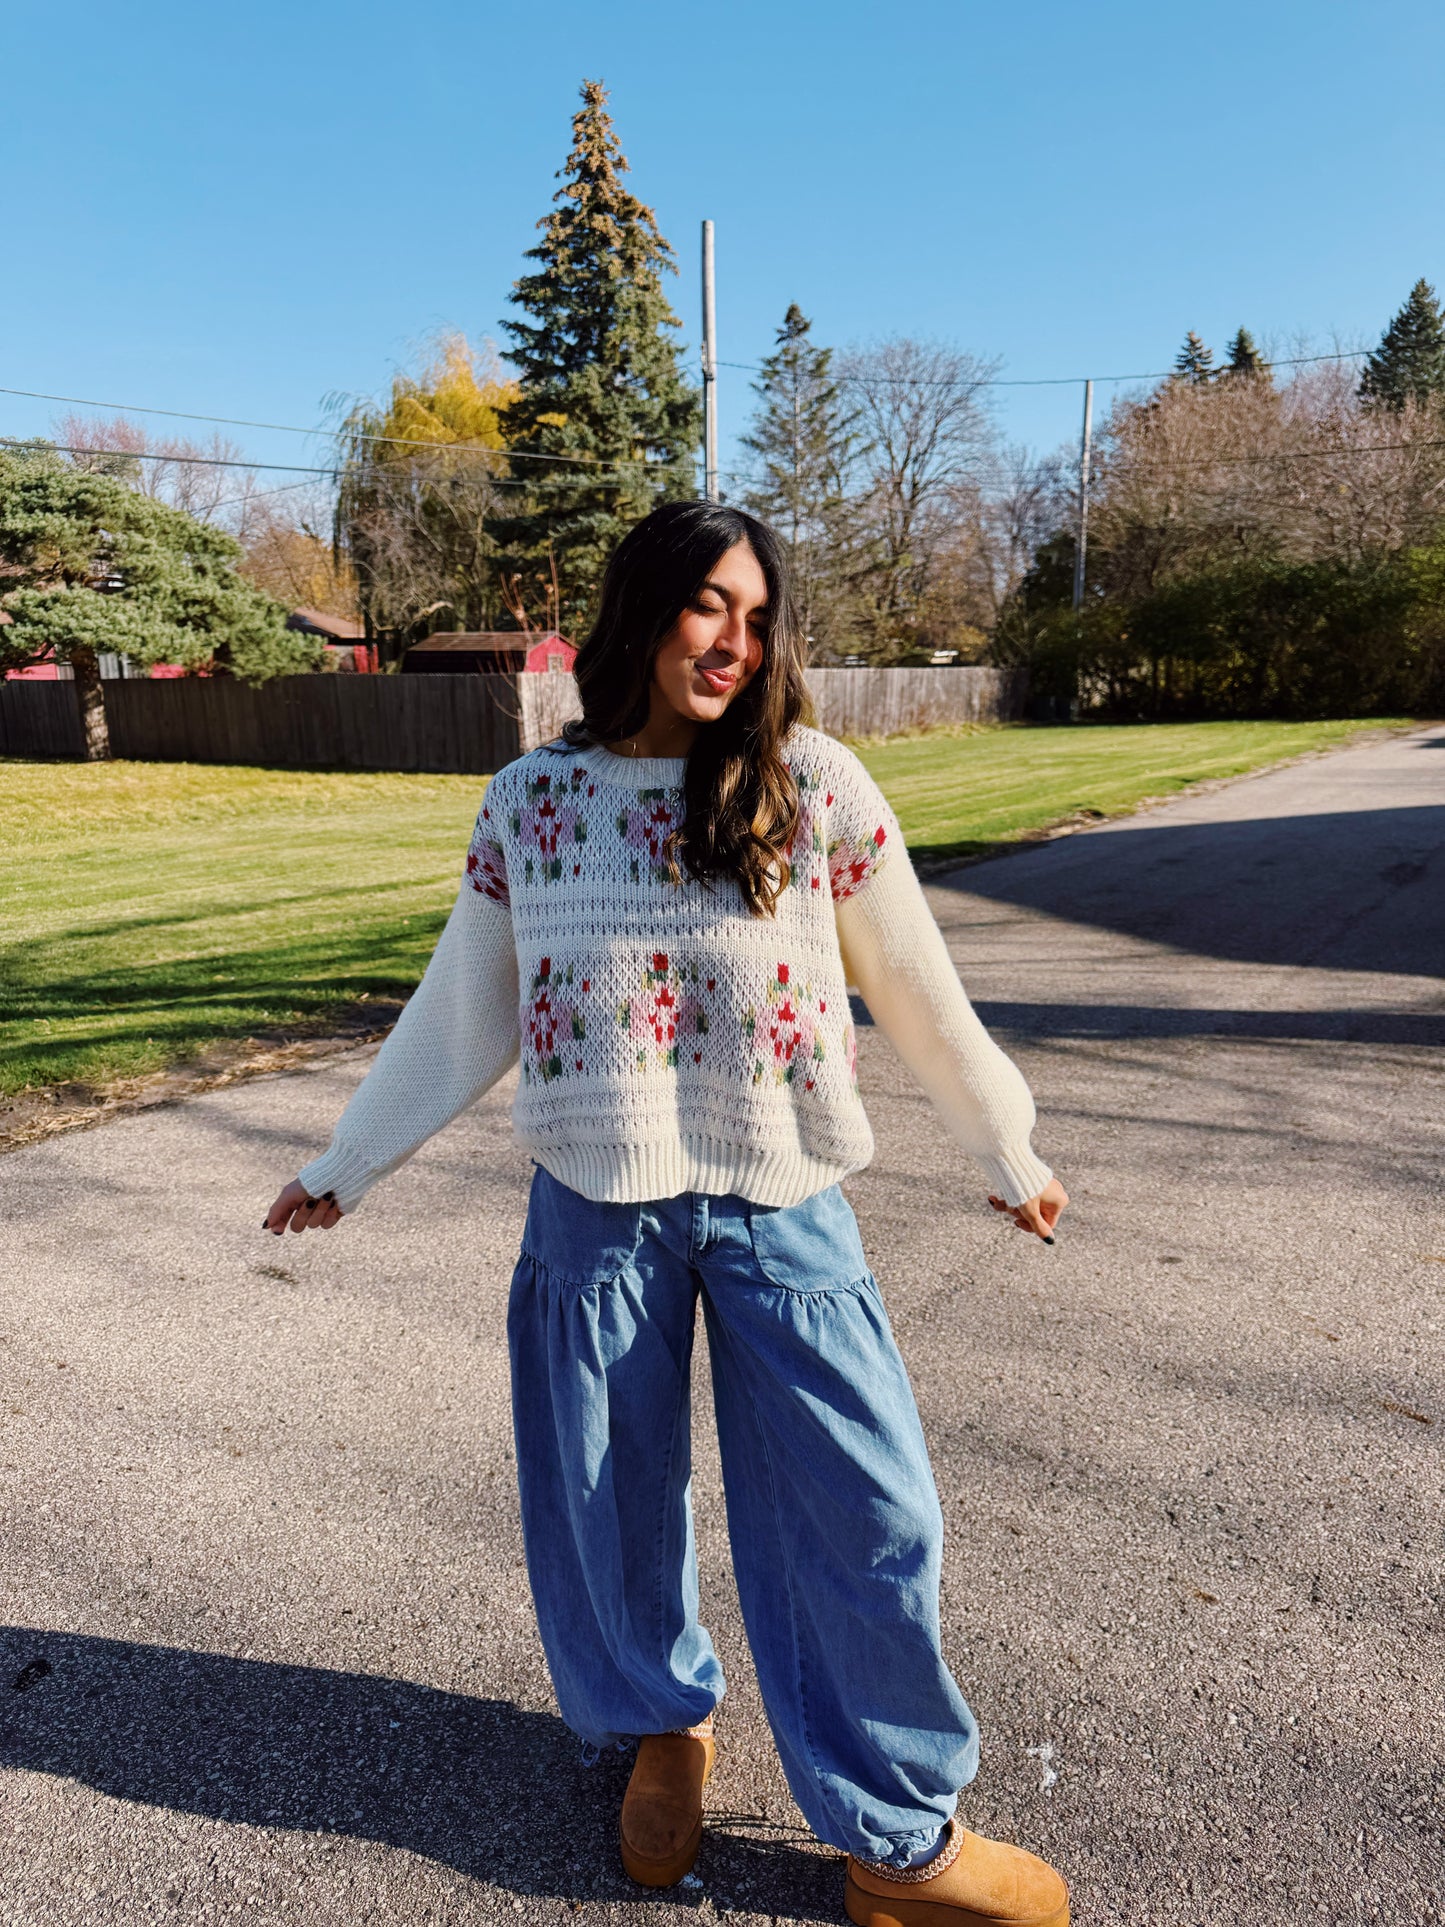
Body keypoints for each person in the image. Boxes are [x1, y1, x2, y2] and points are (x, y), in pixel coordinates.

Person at [265, 501, 1071, 1927]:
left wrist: (1006, 1147)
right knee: (603, 1506)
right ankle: (662, 1726)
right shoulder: (535, 802)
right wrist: (348, 1161)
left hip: (785, 1201)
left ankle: (893, 1835)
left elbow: (917, 988)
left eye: (757, 618)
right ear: (643, 612)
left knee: (867, 1511)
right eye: (709, 606)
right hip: (594, 1206)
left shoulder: (809, 783)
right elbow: (464, 1011)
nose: (735, 642)